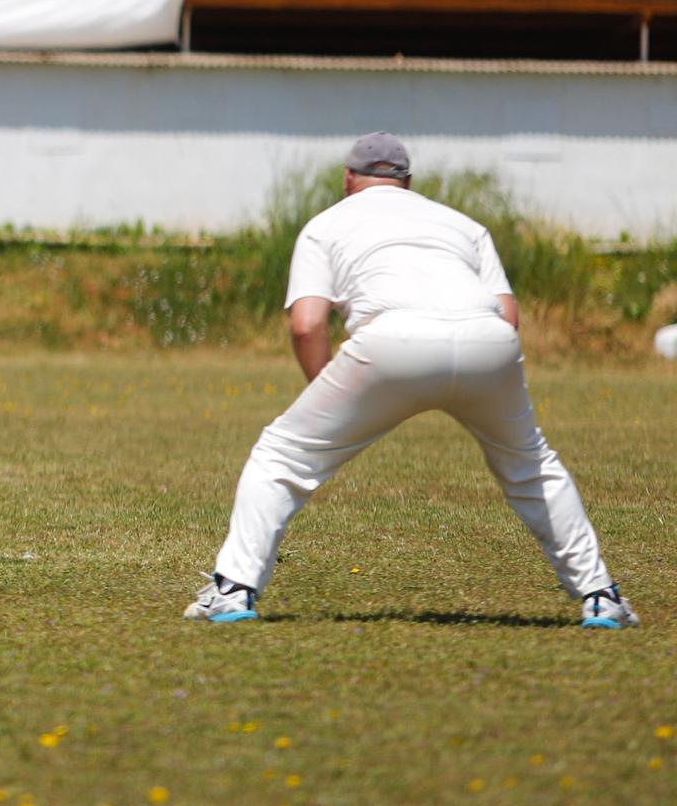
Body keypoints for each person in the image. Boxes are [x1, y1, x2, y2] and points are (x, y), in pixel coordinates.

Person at [186, 132, 639, 629]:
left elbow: (307, 323)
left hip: (390, 341)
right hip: (488, 338)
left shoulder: (326, 224)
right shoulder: (464, 225)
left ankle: (232, 591)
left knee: (281, 456)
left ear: (347, 180)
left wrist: (331, 390)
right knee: (532, 467)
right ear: (408, 181)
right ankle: (600, 596)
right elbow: (508, 315)